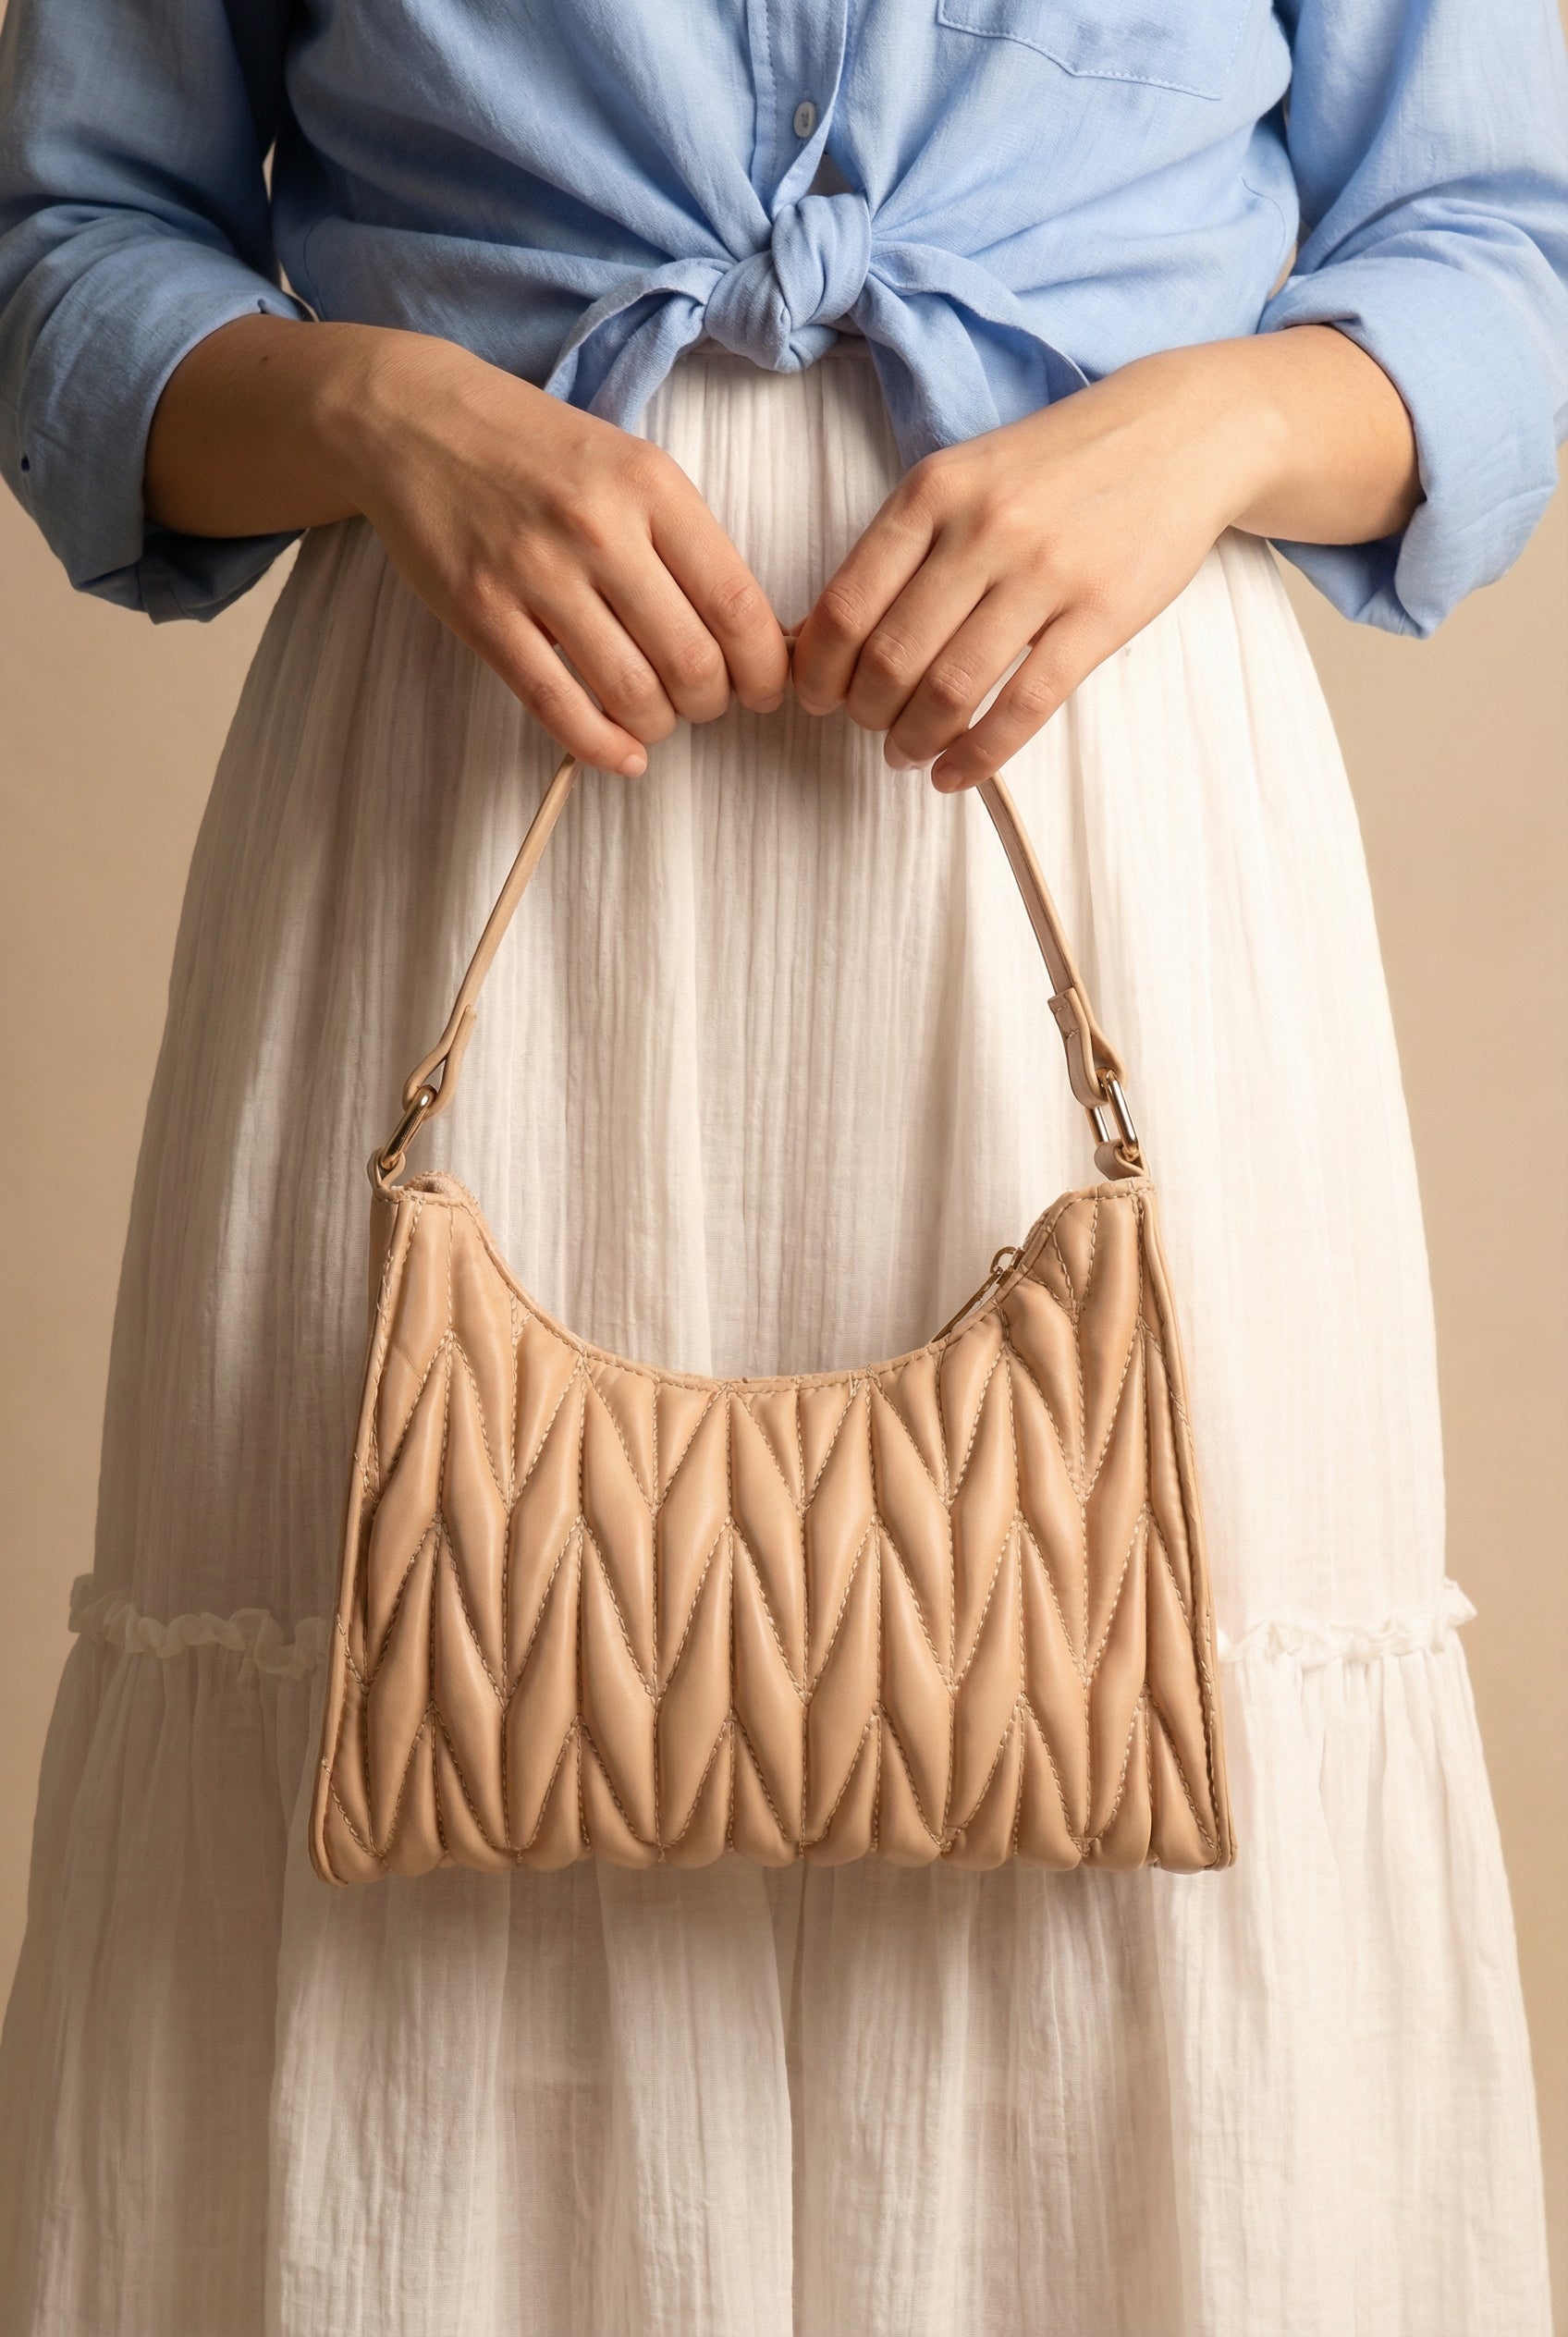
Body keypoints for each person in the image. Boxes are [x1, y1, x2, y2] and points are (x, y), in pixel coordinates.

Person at [0, 0, 1562, 2330]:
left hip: (1111, 784)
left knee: (1123, 1781)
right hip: (461, 786)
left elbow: (1497, 252)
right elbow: (70, 247)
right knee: (429, 1753)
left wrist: (1205, 426)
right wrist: (376, 405)